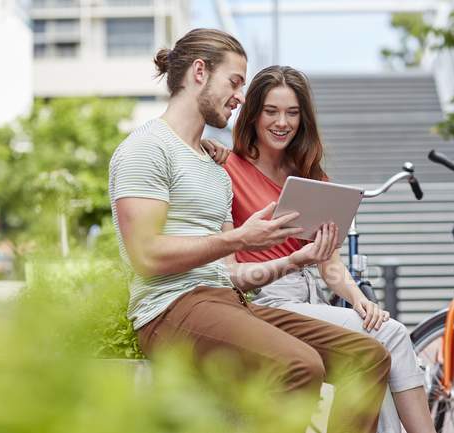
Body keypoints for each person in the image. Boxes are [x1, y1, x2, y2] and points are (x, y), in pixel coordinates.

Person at [108, 28, 391, 433]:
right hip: (169, 311)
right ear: (200, 72)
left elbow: (234, 274)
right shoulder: (146, 148)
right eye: (235, 82)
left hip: (229, 302)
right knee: (301, 365)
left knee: (368, 356)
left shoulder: (213, 170)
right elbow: (147, 256)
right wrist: (241, 237)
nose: (241, 97)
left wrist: (296, 259)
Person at [206, 65, 436, 433]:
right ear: (252, 115)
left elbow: (329, 264)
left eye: (293, 113)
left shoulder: (312, 178)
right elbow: (229, 272)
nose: (282, 122)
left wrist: (360, 300)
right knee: (390, 335)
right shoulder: (225, 169)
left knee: (381, 347)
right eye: (272, 111)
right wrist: (295, 260)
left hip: (312, 299)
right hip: (264, 300)